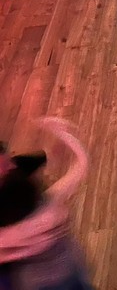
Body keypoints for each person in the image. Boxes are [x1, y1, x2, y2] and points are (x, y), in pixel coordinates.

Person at [0, 118, 92, 289]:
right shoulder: (45, 209)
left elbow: (79, 166)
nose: (10, 165)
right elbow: (80, 165)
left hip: (67, 273)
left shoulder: (39, 200)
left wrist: (64, 136)